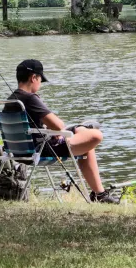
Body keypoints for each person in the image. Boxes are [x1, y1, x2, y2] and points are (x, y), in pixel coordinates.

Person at [7, 59, 120, 204]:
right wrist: (60, 134)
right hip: (40, 149)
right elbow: (58, 125)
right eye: (40, 79)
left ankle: (100, 193)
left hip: (18, 151)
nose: (40, 84)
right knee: (95, 136)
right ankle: (99, 194)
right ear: (33, 77)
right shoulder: (29, 98)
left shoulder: (12, 99)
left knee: (82, 135)